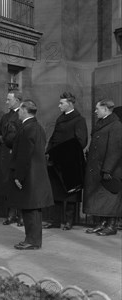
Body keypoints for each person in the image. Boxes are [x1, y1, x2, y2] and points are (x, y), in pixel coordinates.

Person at [10, 100, 54, 250]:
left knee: (30, 210)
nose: (18, 113)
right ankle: (31, 239)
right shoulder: (36, 127)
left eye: (20, 110)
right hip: (35, 175)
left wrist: (18, 176)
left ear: (25, 110)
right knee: (32, 209)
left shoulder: (27, 128)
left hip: (30, 176)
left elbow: (24, 156)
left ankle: (32, 241)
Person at [44, 91, 88, 230]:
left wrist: (62, 152)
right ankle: (56, 221)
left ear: (69, 104)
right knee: (56, 193)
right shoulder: (60, 118)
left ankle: (69, 222)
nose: (59, 105)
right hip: (56, 161)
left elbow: (81, 141)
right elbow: (54, 137)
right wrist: (48, 151)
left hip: (70, 162)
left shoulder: (78, 120)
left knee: (71, 194)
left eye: (61, 103)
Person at [83, 99, 122, 236]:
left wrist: (107, 170)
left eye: (97, 109)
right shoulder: (102, 123)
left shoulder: (115, 125)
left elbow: (115, 150)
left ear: (105, 109)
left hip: (108, 170)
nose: (95, 111)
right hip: (98, 168)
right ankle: (102, 224)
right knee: (100, 199)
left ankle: (112, 226)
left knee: (110, 198)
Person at [0, 90, 24, 226]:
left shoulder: (22, 115)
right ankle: (11, 214)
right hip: (5, 155)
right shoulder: (5, 117)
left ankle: (21, 216)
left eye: (9, 100)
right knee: (8, 185)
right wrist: (1, 138)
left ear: (17, 100)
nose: (6, 102)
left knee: (19, 185)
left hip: (17, 155)